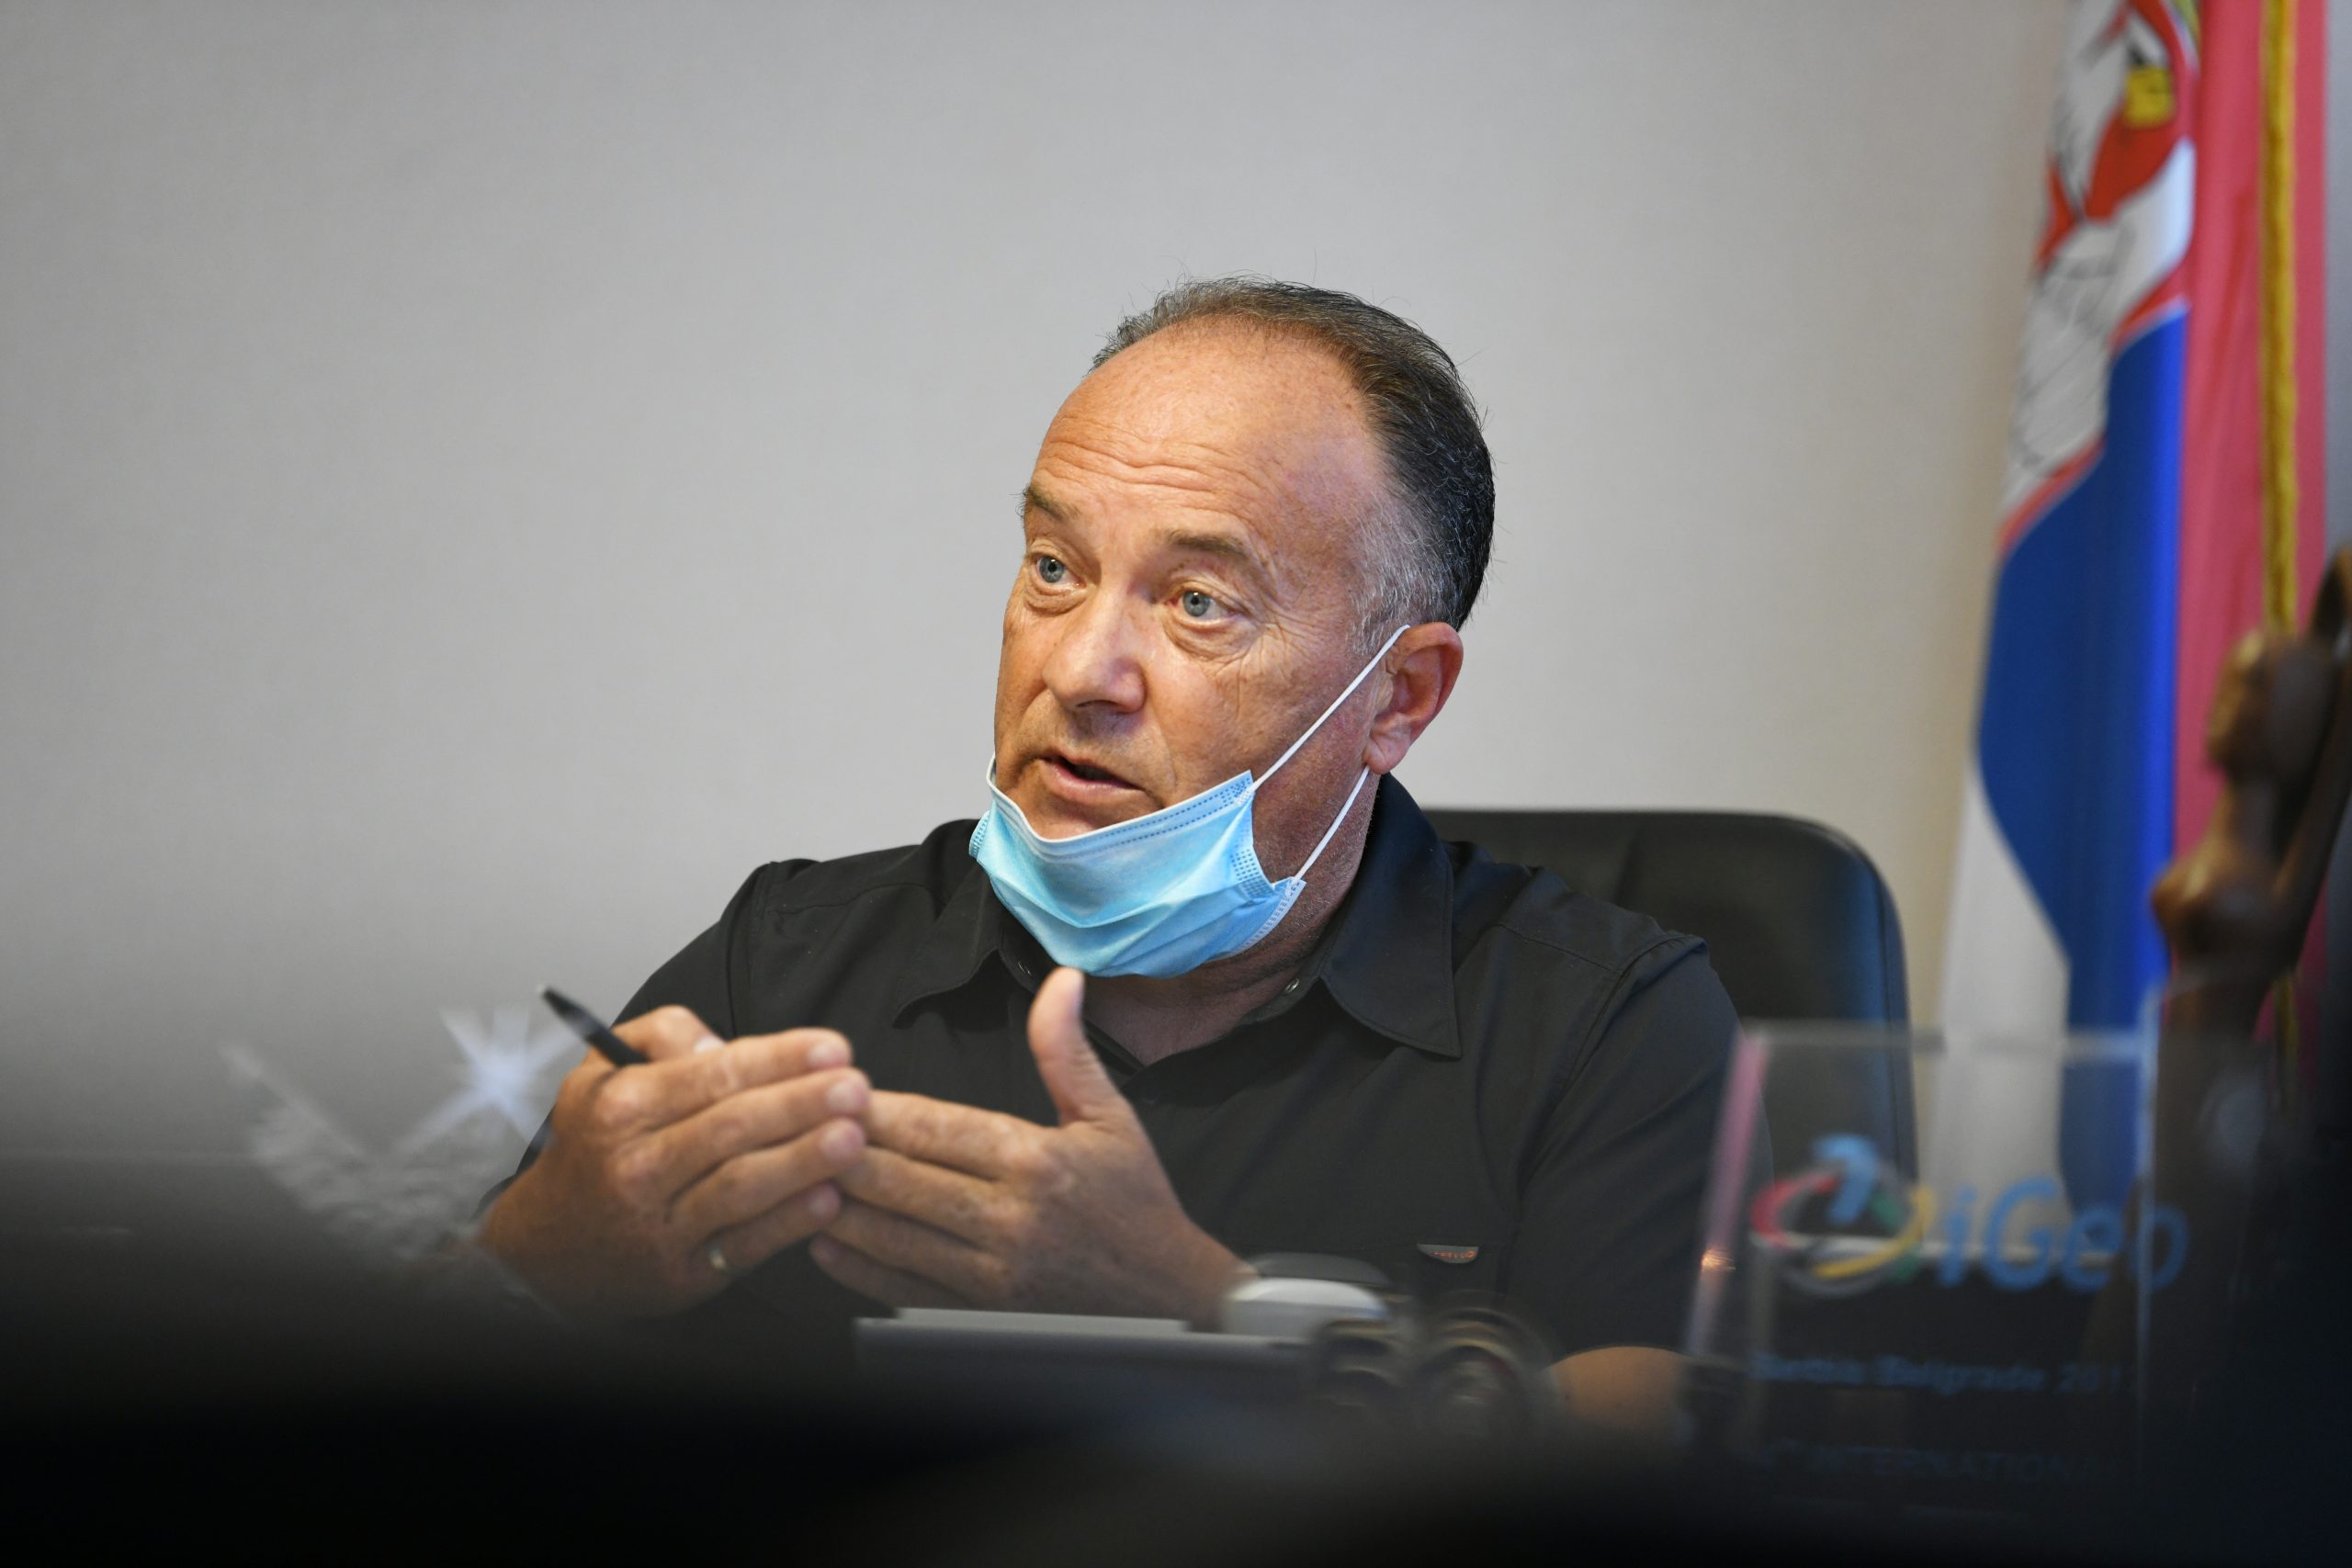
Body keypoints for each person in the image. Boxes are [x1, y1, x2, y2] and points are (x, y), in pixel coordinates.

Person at [477, 277, 1740, 1437]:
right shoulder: (786, 967)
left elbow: (1664, 1481)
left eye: (1199, 603)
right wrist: (536, 1258)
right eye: (1054, 568)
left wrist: (1202, 1307)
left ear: (1397, 697)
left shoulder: (1606, 1030)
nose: (1081, 671)